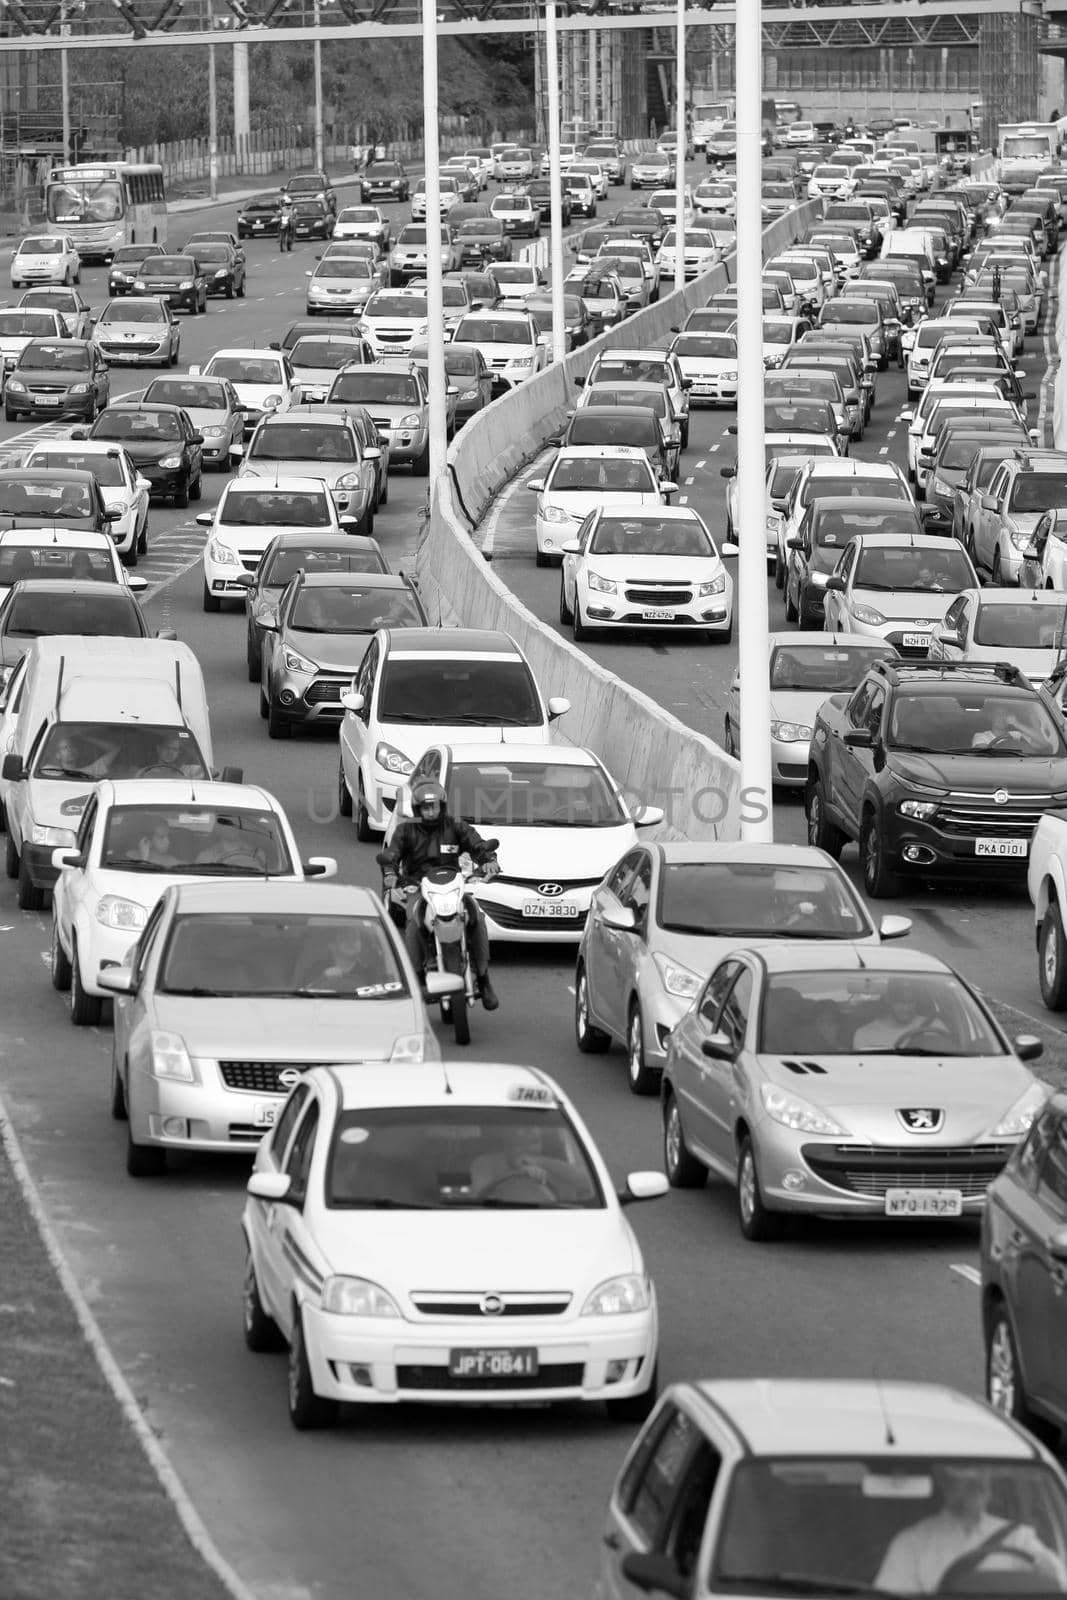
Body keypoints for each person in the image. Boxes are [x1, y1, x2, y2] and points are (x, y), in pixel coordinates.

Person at [376, 779, 501, 1010]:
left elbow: (478, 845)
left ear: (443, 807)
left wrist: (489, 860)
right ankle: (417, 978)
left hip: (452, 887)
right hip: (418, 887)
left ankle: (483, 979)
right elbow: (391, 856)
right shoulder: (406, 831)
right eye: (426, 807)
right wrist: (391, 874)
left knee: (478, 917)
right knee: (413, 921)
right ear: (418, 809)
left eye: (434, 807)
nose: (431, 812)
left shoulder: (456, 826)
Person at [874, 1466, 1067, 1595]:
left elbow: (1059, 1582)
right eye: (966, 1475)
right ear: (944, 1481)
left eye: (984, 1473)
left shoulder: (1019, 1537)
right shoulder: (912, 1543)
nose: (979, 1482)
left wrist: (1047, 1571)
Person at [468, 1121, 588, 1201]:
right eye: (519, 1142)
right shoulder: (486, 1163)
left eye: (535, 1141)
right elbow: (479, 1196)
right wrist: (518, 1173)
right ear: (507, 1141)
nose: (528, 1147)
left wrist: (540, 1161)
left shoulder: (561, 1165)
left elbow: (589, 1182)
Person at [853, 986, 946, 1051]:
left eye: (911, 1001)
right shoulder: (865, 1034)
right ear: (889, 1001)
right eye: (900, 1002)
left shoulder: (934, 1026)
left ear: (917, 1002)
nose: (906, 1008)